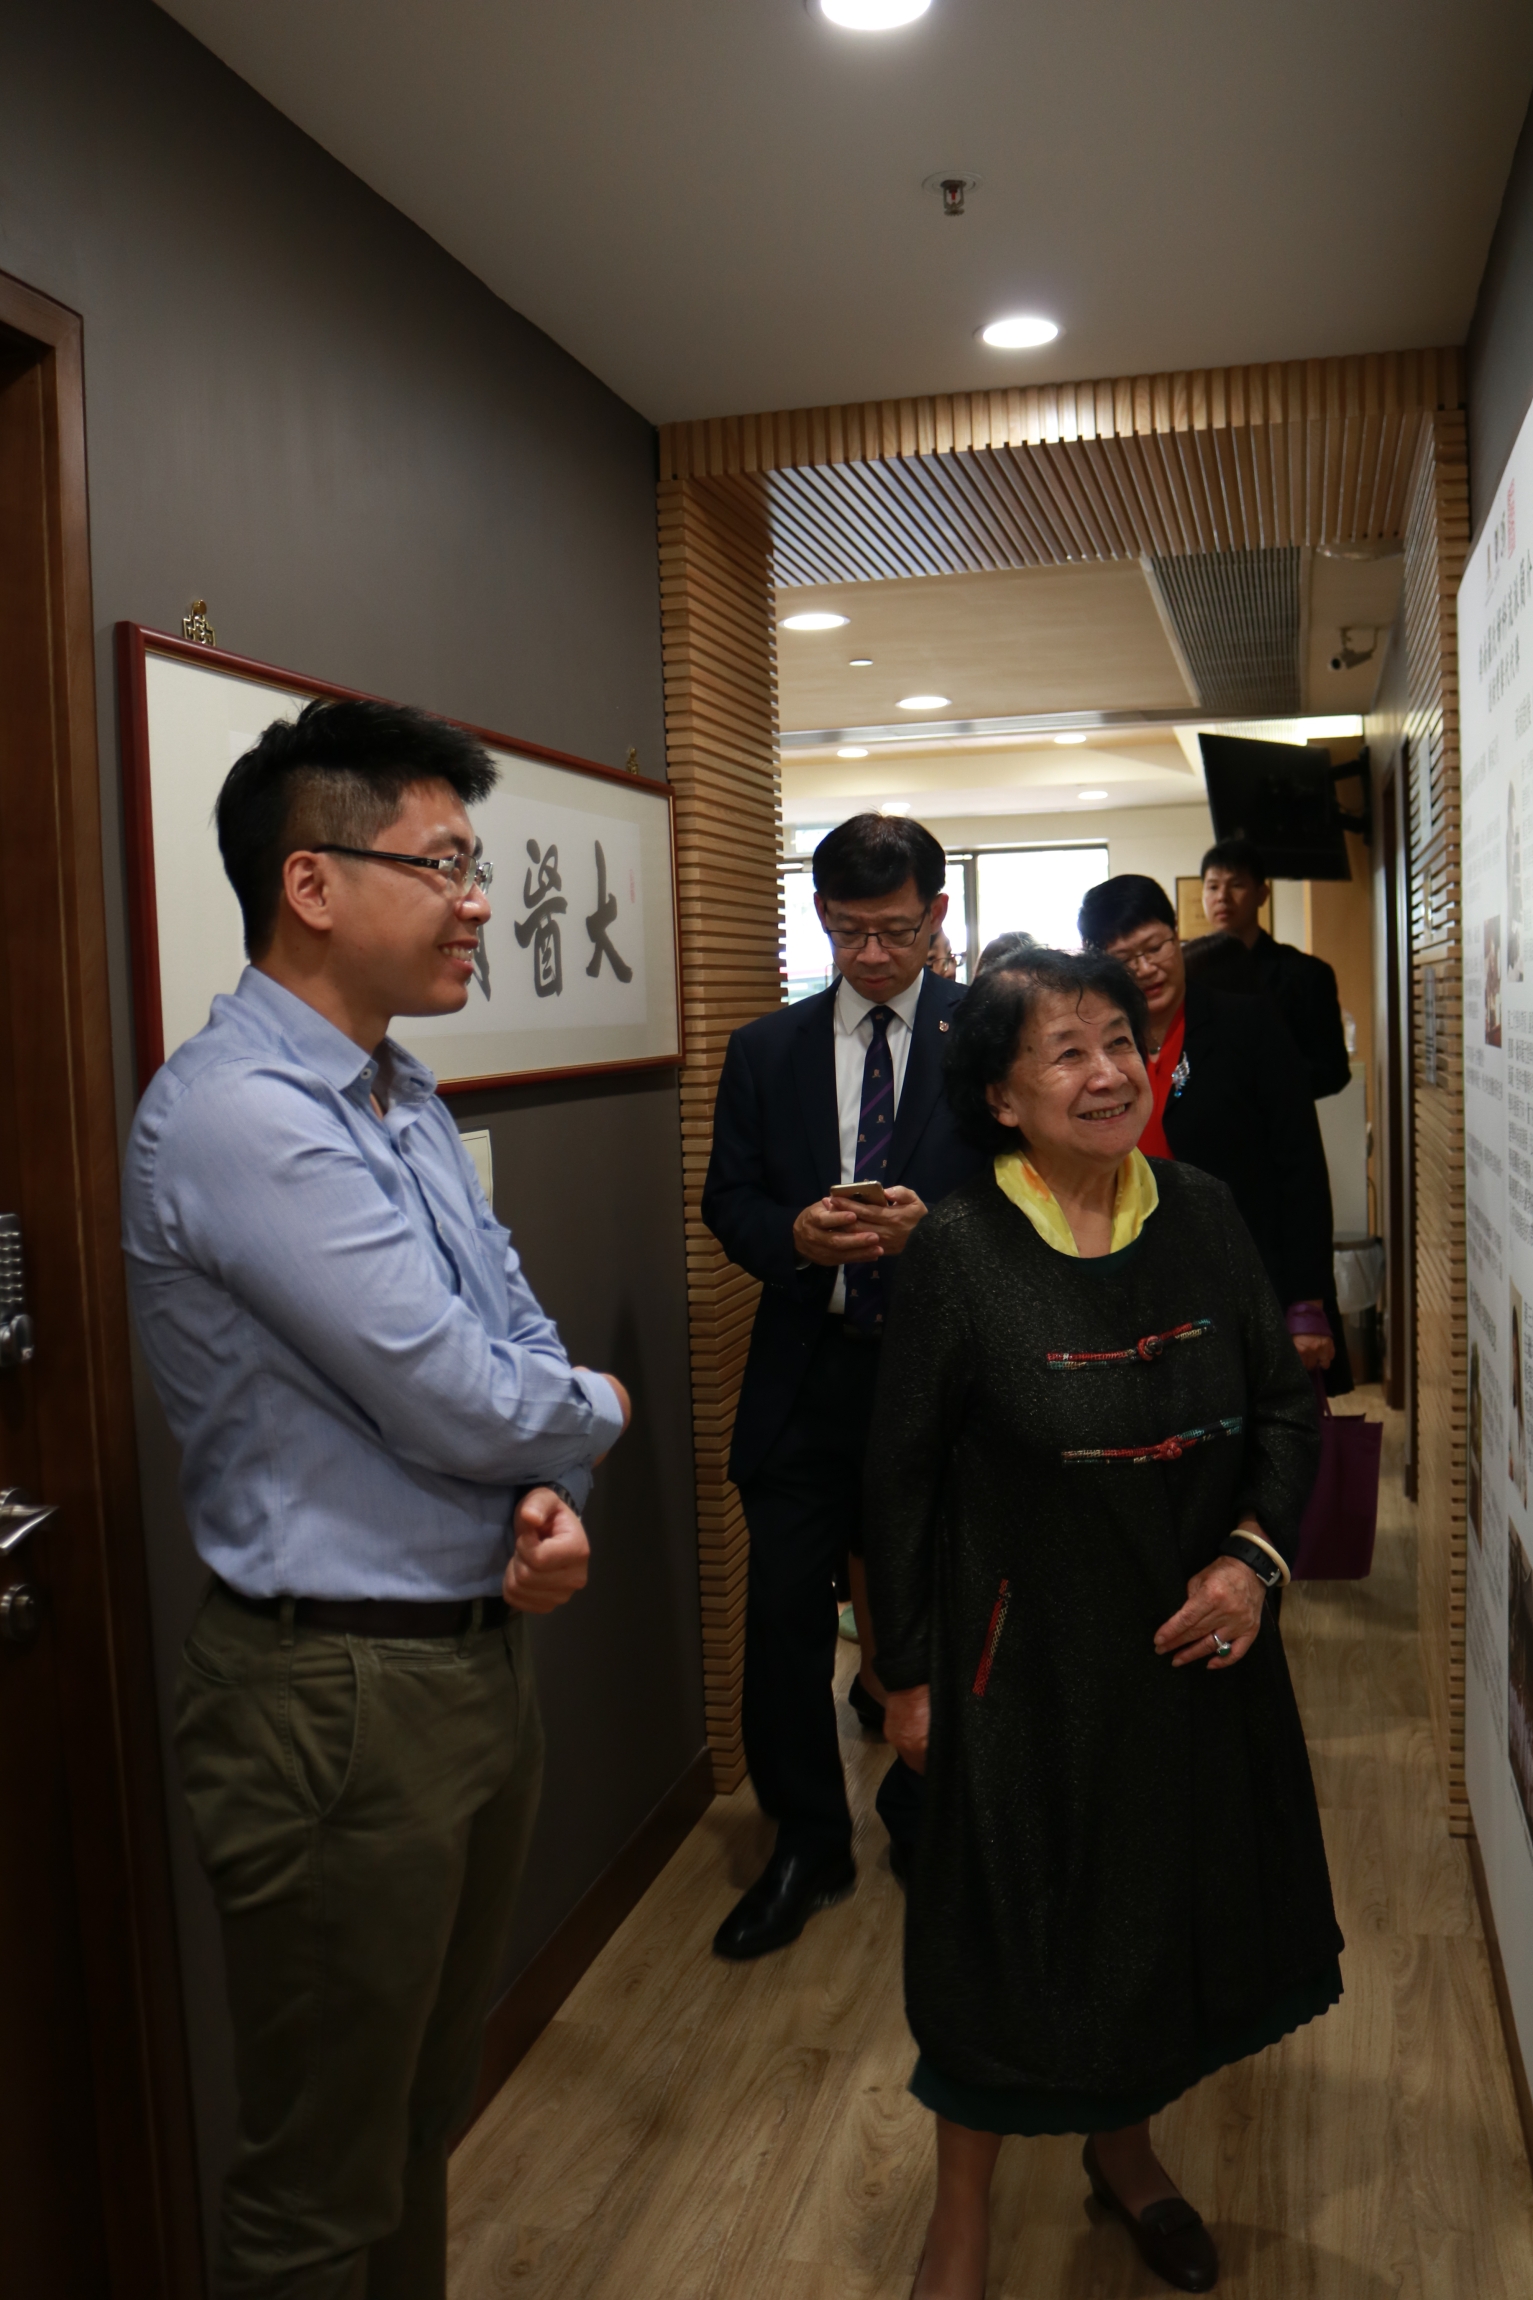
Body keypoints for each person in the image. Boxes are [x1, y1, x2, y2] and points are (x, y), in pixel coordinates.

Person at [122, 699, 631, 2300]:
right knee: (318, 2178)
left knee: (416, 2116)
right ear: (313, 884)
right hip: (332, 1695)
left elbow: (514, 1330)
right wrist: (599, 1418)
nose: (477, 902)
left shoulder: (392, 1089)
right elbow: (460, 1392)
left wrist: (550, 1486)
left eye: (476, 868)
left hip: (460, 1663)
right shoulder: (243, 1117)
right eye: (444, 866)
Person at [866, 954, 1341, 2300]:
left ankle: (1125, 2155)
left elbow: (1284, 1409)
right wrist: (908, 1676)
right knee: (998, 1941)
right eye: (1065, 1050)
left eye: (1120, 1041)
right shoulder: (959, 1248)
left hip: (1191, 1657)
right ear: (1002, 1096)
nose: (1107, 1071)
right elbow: (898, 1478)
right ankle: (960, 2221)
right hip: (1019, 1669)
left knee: (1155, 1919)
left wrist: (1251, 1563)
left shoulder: (1204, 1211)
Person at [701, 813, 984, 1956]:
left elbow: (1035, 1188)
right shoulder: (765, 1048)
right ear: (819, 914)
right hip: (806, 1374)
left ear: (936, 913)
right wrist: (793, 1236)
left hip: (942, 1377)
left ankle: (931, 1815)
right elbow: (727, 1200)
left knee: (945, 1609)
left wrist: (939, 1233)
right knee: (782, 1618)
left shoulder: (986, 1037)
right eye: (851, 930)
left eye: (897, 930)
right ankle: (807, 1840)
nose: (873, 953)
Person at [1079, 874, 1343, 1390]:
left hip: (1244, 1272)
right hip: (1131, 1284)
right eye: (1125, 958)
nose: (1146, 968)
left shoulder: (1247, 1025)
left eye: (1156, 946)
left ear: (1177, 934)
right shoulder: (1096, 1046)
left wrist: (1307, 1302)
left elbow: (1301, 1165)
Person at [1200, 835, 1351, 1100]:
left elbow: (1333, 1071)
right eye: (1212, 887)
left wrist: (1258, 1080)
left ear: (1262, 894)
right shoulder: (1192, 977)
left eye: (1236, 885)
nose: (1222, 897)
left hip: (1279, 1121)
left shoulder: (1306, 974)